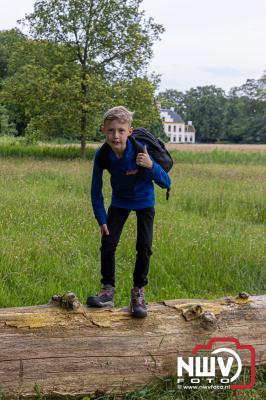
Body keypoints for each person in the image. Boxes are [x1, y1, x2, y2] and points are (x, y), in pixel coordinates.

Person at [87, 106, 171, 318]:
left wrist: (151, 166)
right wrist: (101, 218)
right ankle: (107, 290)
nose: (116, 136)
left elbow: (166, 182)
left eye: (121, 130)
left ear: (129, 131)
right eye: (111, 130)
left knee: (144, 246)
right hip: (120, 202)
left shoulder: (141, 149)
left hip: (144, 202)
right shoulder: (103, 155)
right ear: (103, 130)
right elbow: (95, 189)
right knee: (108, 243)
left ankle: (138, 292)